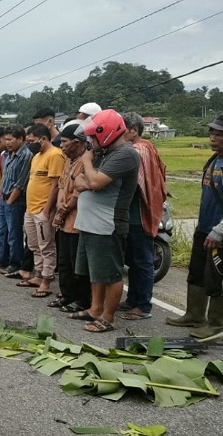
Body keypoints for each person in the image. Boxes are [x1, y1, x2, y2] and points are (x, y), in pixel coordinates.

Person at [71, 109, 139, 332]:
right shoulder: (103, 153)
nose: (90, 142)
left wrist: (87, 164)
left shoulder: (126, 154)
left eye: (93, 137)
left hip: (107, 224)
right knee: (96, 271)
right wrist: (88, 178)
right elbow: (78, 181)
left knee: (110, 273)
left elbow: (96, 181)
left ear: (108, 133)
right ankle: (94, 308)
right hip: (91, 223)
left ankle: (108, 317)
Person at [166, 113, 223, 339]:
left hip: (221, 233)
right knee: (197, 272)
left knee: (218, 278)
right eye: (212, 133)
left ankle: (215, 324)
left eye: (220, 134)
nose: (213, 138)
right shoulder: (213, 160)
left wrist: (219, 231)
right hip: (204, 228)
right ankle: (194, 314)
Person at [120, 112, 167, 321]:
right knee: (135, 260)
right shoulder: (148, 146)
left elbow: (135, 183)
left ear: (133, 131)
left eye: (123, 130)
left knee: (142, 260)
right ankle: (133, 299)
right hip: (136, 213)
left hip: (139, 213)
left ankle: (143, 305)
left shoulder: (137, 150)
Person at [20, 124, 64, 298]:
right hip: (31, 208)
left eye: (32, 141)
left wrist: (47, 211)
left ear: (43, 139)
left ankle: (46, 281)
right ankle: (38, 274)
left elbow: (55, 185)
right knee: (33, 245)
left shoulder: (55, 155)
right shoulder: (37, 156)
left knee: (46, 246)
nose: (30, 144)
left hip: (43, 209)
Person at [51, 122, 90, 312]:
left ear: (76, 142)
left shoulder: (86, 161)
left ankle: (81, 299)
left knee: (77, 263)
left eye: (64, 142)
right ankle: (66, 296)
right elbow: (61, 184)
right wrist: (59, 203)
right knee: (64, 260)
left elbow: (78, 193)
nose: (61, 145)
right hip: (64, 218)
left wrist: (63, 209)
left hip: (76, 220)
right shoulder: (68, 160)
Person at [0, 126, 32, 275]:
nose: (7, 142)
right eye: (6, 139)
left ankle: (15, 264)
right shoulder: (8, 154)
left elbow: (21, 183)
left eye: (10, 139)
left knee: (14, 234)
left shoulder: (26, 156)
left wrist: (10, 201)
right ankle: (3, 259)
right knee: (1, 232)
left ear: (21, 139)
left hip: (14, 200)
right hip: (4, 198)